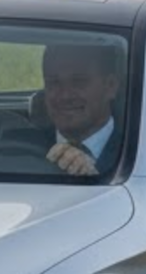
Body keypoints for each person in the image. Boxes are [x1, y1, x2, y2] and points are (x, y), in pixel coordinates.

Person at [31, 42, 125, 177]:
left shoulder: (139, 152)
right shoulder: (20, 144)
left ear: (110, 86)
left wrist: (93, 178)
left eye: (78, 82)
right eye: (54, 82)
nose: (65, 95)